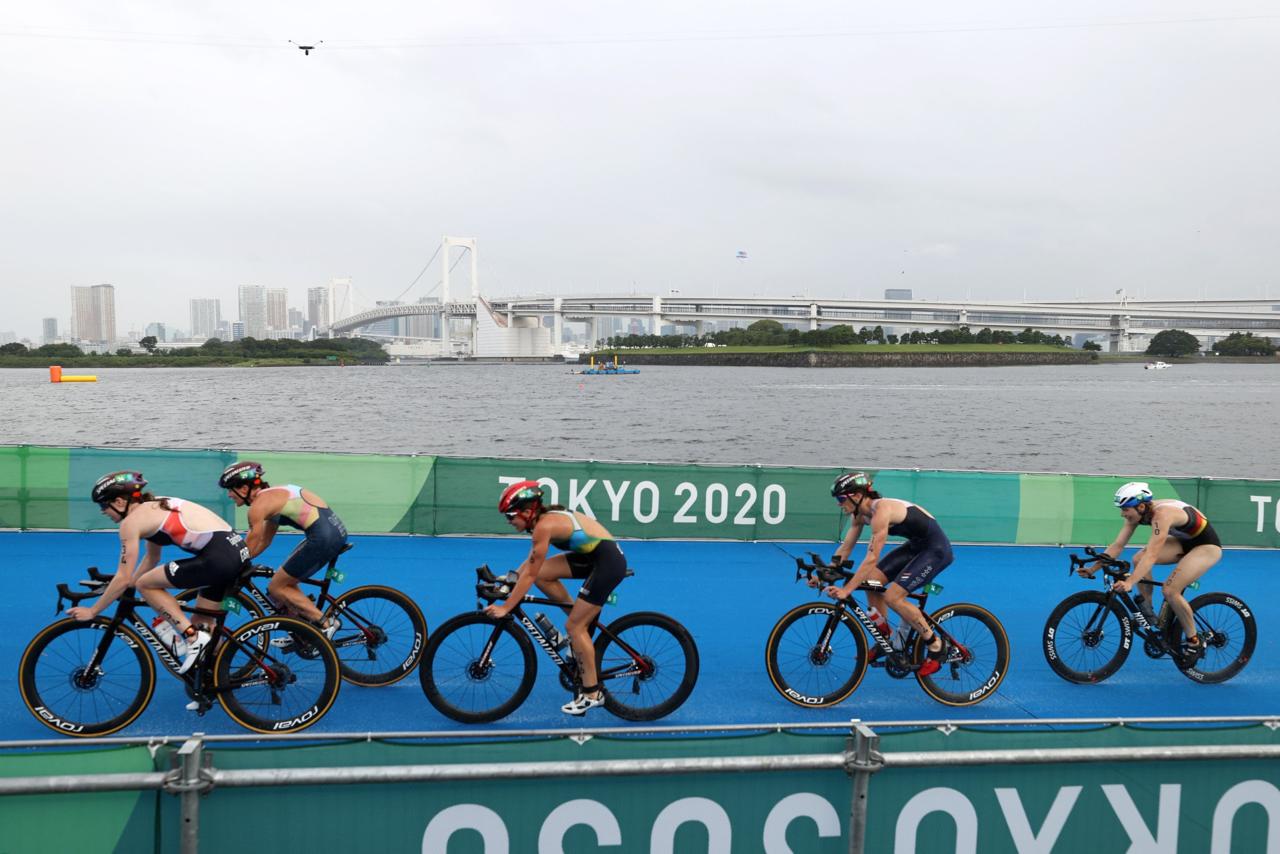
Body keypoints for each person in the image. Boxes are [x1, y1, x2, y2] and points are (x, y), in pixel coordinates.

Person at [68, 471, 249, 676]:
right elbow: (151, 558)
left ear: (119, 502)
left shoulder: (131, 523)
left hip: (218, 557)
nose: (103, 512)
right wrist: (127, 587)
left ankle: (191, 638)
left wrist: (93, 611)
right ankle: (214, 678)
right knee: (203, 624)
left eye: (103, 506)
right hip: (233, 551)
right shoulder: (154, 506)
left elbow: (124, 576)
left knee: (146, 584)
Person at [488, 480, 628, 715]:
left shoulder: (544, 526)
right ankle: (581, 620)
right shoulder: (541, 522)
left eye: (510, 516)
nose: (509, 522)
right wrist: (508, 580)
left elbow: (529, 573)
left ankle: (593, 694)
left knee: (574, 626)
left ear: (527, 511)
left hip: (607, 563)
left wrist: (506, 606)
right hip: (591, 557)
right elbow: (534, 564)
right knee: (544, 575)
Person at [821, 472, 954, 677]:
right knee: (869, 581)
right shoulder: (859, 515)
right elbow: (845, 548)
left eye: (841, 499)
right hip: (916, 547)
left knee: (893, 597)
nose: (839, 504)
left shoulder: (880, 511)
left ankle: (936, 645)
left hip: (935, 550)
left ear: (856, 496)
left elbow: (872, 558)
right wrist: (824, 573)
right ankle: (887, 640)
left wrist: (847, 590)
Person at [1087, 481, 1222, 660]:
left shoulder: (1162, 515)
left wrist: (1130, 582)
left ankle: (1194, 642)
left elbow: (1152, 555)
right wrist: (1093, 568)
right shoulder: (1139, 513)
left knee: (1170, 590)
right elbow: (1118, 545)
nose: (1122, 513)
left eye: (1125, 509)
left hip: (1206, 547)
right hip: (1183, 542)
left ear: (1141, 506)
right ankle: (1148, 612)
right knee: (1138, 559)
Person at [218, 461, 348, 636]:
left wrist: (230, 563)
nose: (228, 495)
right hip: (329, 532)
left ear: (242, 488)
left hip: (323, 537)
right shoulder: (272, 498)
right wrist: (244, 560)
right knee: (282, 581)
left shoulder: (258, 507)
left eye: (230, 489)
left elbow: (251, 540)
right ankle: (301, 629)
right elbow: (264, 541)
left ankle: (326, 624)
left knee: (277, 588)